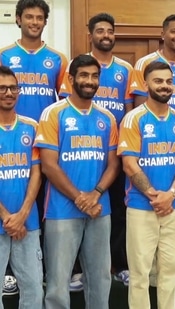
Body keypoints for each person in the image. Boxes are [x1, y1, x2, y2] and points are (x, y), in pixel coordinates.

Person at [35, 54, 119, 309]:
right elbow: (49, 165)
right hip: (61, 210)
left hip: (98, 209)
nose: (89, 81)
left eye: (94, 76)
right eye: (83, 75)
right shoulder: (53, 113)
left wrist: (95, 194)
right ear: (71, 79)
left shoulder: (107, 117)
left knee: (100, 278)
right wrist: (80, 198)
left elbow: (113, 164)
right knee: (59, 281)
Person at [58, 12, 134, 288]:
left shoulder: (125, 69)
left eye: (110, 31)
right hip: (81, 149)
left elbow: (128, 111)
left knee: (117, 210)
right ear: (90, 34)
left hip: (113, 150)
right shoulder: (77, 66)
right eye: (100, 31)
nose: (106, 35)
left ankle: (119, 265)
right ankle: (76, 270)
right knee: (74, 208)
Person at [0, 0, 68, 294]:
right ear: (18, 19)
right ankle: (10, 275)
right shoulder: (4, 56)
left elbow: (65, 103)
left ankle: (38, 272)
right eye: (29, 16)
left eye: (40, 17)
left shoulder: (57, 58)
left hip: (43, 146)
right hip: (9, 141)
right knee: (12, 202)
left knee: (41, 210)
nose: (34, 21)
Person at [118, 61, 175, 309]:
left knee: (170, 272)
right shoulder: (133, 119)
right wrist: (155, 196)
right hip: (141, 206)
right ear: (146, 84)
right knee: (140, 274)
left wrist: (170, 195)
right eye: (158, 81)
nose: (164, 86)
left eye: (169, 81)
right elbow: (129, 164)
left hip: (174, 205)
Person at [131, 13, 175, 282]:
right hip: (148, 149)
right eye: (174, 31)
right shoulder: (144, 63)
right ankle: (151, 268)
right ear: (163, 34)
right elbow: (138, 105)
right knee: (150, 208)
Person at [0, 65, 43, 308]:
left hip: (28, 223)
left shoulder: (31, 126)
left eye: (13, 88)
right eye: (2, 88)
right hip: (6, 220)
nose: (8, 93)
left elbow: (37, 172)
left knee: (33, 287)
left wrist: (23, 214)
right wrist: (7, 217)